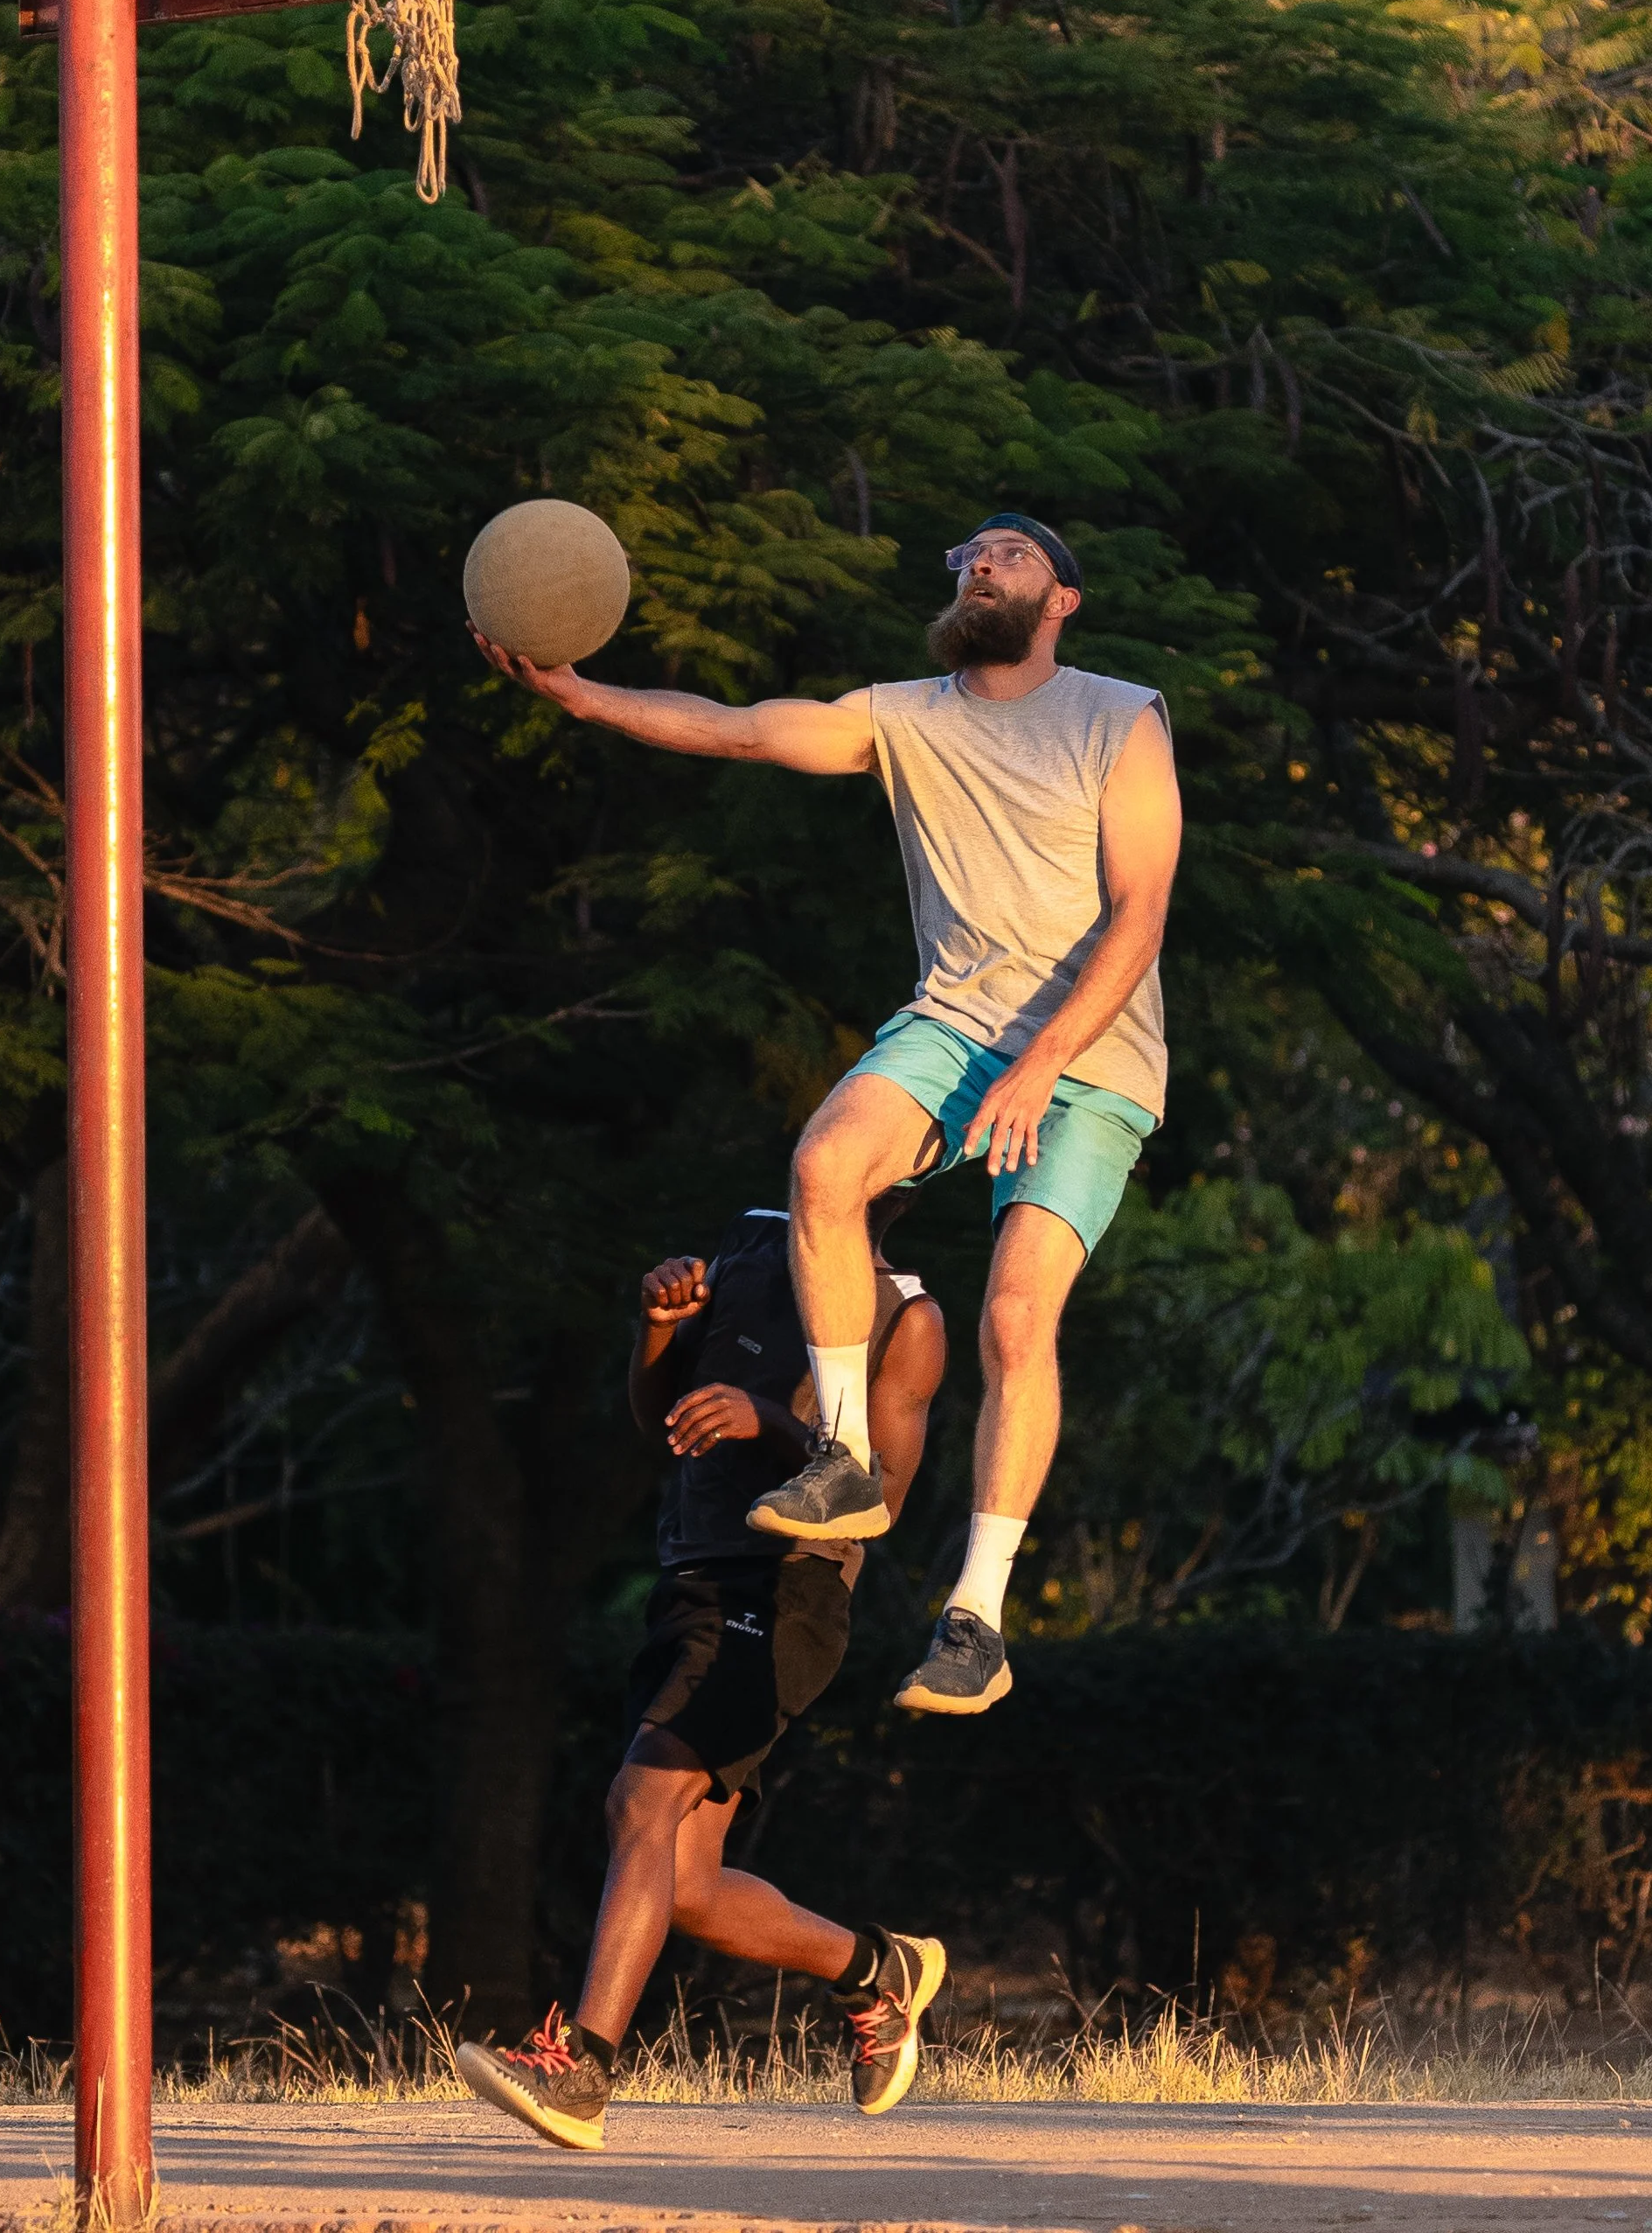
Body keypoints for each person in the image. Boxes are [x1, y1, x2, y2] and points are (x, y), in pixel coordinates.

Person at [473, 512, 1181, 1719]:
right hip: (959, 1026)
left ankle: (977, 1617)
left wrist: (1040, 1063)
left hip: (1094, 1057)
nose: (976, 563)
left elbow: (1141, 912)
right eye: (963, 553)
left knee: (1016, 1314)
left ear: (1062, 598)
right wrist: (589, 700)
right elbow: (746, 731)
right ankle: (842, 1456)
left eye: (1007, 553)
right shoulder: (905, 718)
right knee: (825, 1166)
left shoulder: (1120, 717)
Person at [457, 1197, 948, 2153]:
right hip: (688, 1580)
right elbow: (660, 1418)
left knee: (638, 1802)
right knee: (681, 1883)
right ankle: (875, 1969)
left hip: (788, 1593)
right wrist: (658, 1327)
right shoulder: (752, 1252)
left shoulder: (906, 1317)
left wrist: (767, 1419)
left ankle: (584, 2070)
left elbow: (879, 1498)